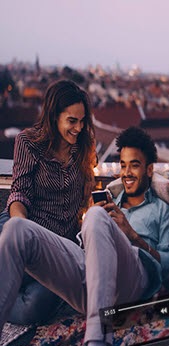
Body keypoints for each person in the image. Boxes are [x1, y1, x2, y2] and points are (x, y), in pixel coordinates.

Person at [0, 126, 169, 346]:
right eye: (123, 165)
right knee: (17, 228)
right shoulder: (111, 199)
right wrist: (89, 227)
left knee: (96, 216)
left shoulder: (161, 209)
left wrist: (132, 235)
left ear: (150, 169)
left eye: (134, 165)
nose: (127, 172)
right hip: (90, 278)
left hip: (133, 278)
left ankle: (97, 342)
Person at [0, 79, 96, 327]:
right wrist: (22, 234)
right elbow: (19, 193)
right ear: (54, 117)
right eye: (72, 121)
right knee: (12, 266)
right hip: (24, 223)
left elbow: (87, 197)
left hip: (58, 244)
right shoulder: (28, 142)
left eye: (82, 120)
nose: (79, 127)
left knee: (37, 307)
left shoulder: (84, 146)